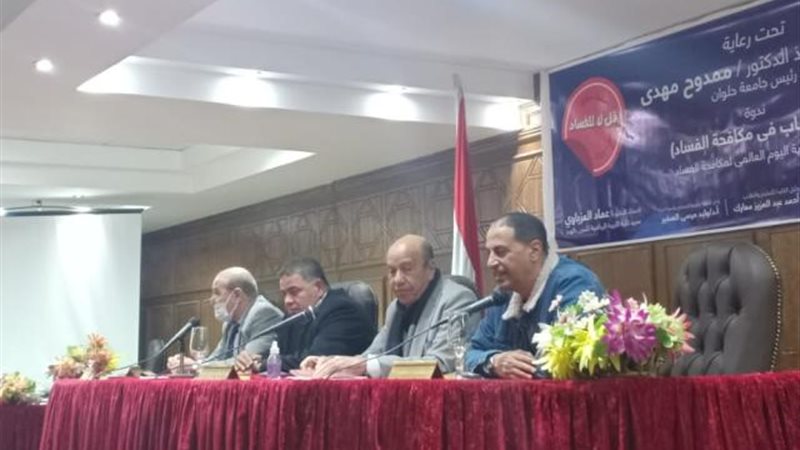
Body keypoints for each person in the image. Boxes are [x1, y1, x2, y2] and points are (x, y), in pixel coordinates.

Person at [303, 234, 479, 378]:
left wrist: (364, 365)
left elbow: (441, 363)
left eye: (407, 269)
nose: (397, 280)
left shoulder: (457, 299)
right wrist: (332, 362)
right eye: (392, 271)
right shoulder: (395, 307)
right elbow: (373, 354)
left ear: (430, 269)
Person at [464, 212, 604, 379]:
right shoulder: (503, 295)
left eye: (500, 252)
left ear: (535, 251)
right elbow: (470, 353)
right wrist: (494, 361)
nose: (490, 262)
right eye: (489, 253)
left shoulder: (575, 283)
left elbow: (571, 362)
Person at [235, 257, 376, 372]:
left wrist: (264, 364)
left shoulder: (342, 310)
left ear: (318, 288)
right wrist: (254, 359)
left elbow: (314, 360)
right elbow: (276, 352)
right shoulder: (293, 316)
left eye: (294, 292)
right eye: (284, 294)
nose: (287, 301)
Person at [166, 267, 283, 372]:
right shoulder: (230, 323)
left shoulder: (264, 313)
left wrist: (197, 366)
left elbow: (244, 362)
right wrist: (188, 364)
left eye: (217, 293)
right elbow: (216, 358)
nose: (211, 300)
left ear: (237, 295)